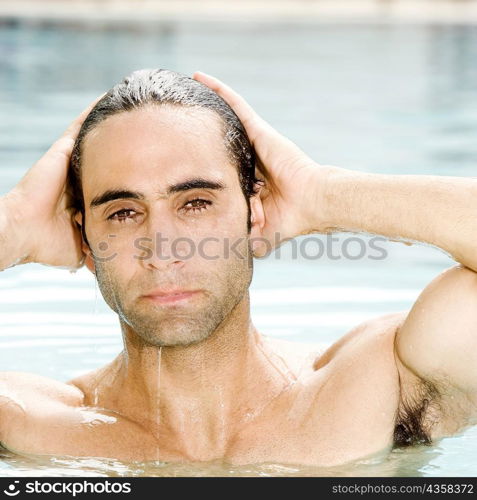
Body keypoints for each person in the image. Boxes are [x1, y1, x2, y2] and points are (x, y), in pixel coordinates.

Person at [0, 68, 476, 467]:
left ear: (254, 213)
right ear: (85, 235)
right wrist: (15, 227)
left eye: (196, 203)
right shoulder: (30, 426)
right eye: (123, 212)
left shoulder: (376, 385)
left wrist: (322, 195)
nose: (163, 250)